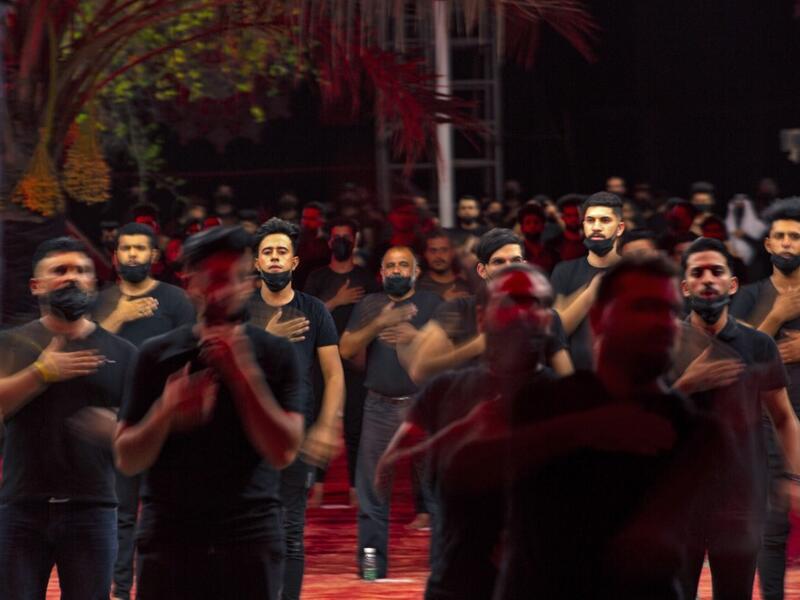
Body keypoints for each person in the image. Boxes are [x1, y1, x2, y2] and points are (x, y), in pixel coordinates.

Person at [495, 253, 726, 598]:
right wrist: (589, 426)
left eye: (669, 311)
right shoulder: (541, 404)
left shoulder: (696, 431)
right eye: (644, 307)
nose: (663, 322)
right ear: (599, 318)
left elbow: (642, 546)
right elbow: (466, 470)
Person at [114, 226, 304, 600]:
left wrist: (242, 375)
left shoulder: (275, 354)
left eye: (233, 279)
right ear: (190, 283)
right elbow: (127, 458)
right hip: (170, 537)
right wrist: (165, 412)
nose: (222, 291)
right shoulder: (155, 356)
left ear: (248, 283)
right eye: (213, 279)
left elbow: (283, 452)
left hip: (249, 535)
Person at [374, 264, 560, 599]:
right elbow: (386, 471)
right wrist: (466, 431)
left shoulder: (568, 399)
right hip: (457, 580)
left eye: (536, 303)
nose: (524, 314)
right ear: (481, 318)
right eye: (511, 302)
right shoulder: (445, 392)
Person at [0, 237, 136, 599]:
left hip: (93, 510)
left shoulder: (124, 353)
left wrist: (118, 430)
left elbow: (145, 435)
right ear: (36, 285)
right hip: (21, 510)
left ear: (94, 282)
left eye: (82, 271)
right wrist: (42, 373)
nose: (72, 278)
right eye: (60, 271)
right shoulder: (11, 344)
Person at [672, 237, 800, 599]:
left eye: (717, 271)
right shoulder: (664, 346)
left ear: (732, 284)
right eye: (698, 273)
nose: (707, 279)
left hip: (740, 500)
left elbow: (785, 418)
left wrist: (794, 478)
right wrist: (685, 385)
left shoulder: (758, 344)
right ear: (685, 286)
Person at [94, 221, 195, 600]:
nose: (133, 254)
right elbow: (85, 355)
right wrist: (118, 317)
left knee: (166, 511)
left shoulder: (176, 300)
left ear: (154, 256)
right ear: (115, 256)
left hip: (166, 421)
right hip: (114, 420)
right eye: (126, 248)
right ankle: (120, 590)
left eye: (140, 248)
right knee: (118, 513)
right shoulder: (101, 301)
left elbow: (191, 357)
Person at [247, 217, 344, 600]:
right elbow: (220, 368)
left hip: (295, 433)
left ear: (294, 262)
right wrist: (266, 338)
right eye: (267, 253)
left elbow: (334, 375)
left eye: (281, 252)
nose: (274, 259)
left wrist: (326, 425)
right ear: (256, 263)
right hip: (246, 433)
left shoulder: (315, 310)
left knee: (291, 530)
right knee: (247, 527)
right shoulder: (239, 310)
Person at [339, 245, 442, 579]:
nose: (396, 271)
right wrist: (379, 322)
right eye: (390, 266)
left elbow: (450, 356)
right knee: (372, 491)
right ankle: (371, 567)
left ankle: (444, 565)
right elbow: (347, 348)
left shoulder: (433, 304)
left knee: (435, 489)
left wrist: (416, 337)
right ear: (381, 273)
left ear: (415, 272)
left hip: (423, 405)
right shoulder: (370, 304)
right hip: (378, 405)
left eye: (403, 266)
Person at [730, 198, 800, 600]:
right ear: (769, 245)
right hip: (769, 422)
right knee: (772, 530)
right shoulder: (750, 294)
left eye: (795, 236)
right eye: (781, 237)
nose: (788, 243)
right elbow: (733, 351)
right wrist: (776, 317)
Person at [406, 228, 573, 384]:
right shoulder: (458, 309)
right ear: (482, 270)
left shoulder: (546, 316)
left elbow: (568, 384)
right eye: (499, 262)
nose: (509, 268)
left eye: (515, 260)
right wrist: (475, 347)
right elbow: (419, 372)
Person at [304, 217, 381, 505]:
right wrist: (336, 300)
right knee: (318, 422)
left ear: (355, 240)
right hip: (321, 360)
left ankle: (355, 488)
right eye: (336, 237)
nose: (340, 242)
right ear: (328, 242)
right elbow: (306, 316)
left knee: (355, 426)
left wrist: (365, 349)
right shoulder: (317, 277)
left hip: (356, 361)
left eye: (346, 237)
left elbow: (377, 317)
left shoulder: (366, 278)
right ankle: (318, 487)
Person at [551, 192, 625, 370]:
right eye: (590, 220)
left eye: (605, 220)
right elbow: (554, 335)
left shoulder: (634, 272)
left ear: (620, 228)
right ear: (583, 225)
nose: (596, 227)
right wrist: (591, 292)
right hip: (576, 380)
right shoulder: (564, 271)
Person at [416, 230, 472, 300]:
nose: (438, 256)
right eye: (433, 250)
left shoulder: (468, 284)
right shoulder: (417, 287)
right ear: (425, 254)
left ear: (453, 253)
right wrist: (443, 302)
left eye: (444, 250)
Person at [294, 202, 330, 291]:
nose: (306, 223)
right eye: (304, 218)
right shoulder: (295, 241)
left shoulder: (328, 244)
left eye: (311, 219)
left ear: (322, 220)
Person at [517, 201, 560, 274]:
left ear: (543, 226)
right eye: (528, 222)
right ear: (522, 228)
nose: (532, 226)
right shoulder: (517, 253)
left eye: (536, 222)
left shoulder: (552, 254)